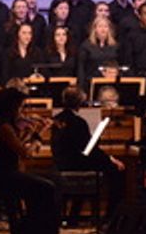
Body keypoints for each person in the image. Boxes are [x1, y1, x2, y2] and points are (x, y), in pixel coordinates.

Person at [0, 87, 60, 234]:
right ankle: (35, 232)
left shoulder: (4, 124)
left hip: (4, 173)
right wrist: (39, 136)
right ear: (11, 107)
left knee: (47, 182)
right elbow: (26, 154)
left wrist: (30, 134)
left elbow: (18, 147)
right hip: (2, 176)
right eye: (19, 106)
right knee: (45, 187)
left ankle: (34, 230)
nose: (21, 110)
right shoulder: (4, 127)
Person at [50, 86, 126, 223]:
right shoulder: (78, 122)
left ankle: (74, 214)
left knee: (100, 166)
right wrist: (111, 159)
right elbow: (90, 150)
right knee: (117, 171)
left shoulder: (57, 118)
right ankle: (111, 215)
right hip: (77, 162)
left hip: (63, 162)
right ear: (80, 102)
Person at [78, 17, 120, 92]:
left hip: (111, 82)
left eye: (105, 26)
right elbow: (81, 67)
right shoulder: (86, 45)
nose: (103, 29)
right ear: (95, 29)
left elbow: (118, 63)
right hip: (91, 82)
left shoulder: (115, 45)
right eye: (100, 26)